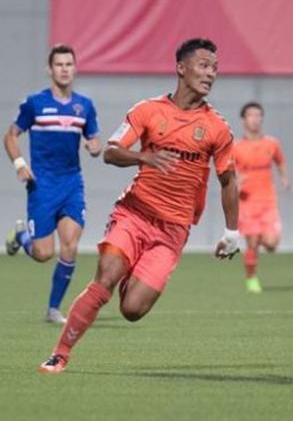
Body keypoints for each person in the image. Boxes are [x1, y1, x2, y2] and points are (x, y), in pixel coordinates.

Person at [38, 38, 241, 373]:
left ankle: (132, 269)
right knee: (105, 277)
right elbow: (111, 151)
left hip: (173, 230)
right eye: (204, 65)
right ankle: (59, 354)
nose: (211, 74)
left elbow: (228, 181)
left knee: (132, 310)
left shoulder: (218, 128)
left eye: (215, 68)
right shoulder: (148, 110)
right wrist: (145, 157)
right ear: (181, 68)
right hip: (133, 213)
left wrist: (232, 232)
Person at [4, 44, 102, 324]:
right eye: (59, 64)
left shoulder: (84, 106)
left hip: (72, 184)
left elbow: (94, 140)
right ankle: (20, 237)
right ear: (50, 69)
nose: (64, 69)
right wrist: (20, 165)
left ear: (75, 68)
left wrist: (94, 146)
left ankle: (53, 309)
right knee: (43, 254)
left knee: (70, 245)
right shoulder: (34, 103)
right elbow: (10, 136)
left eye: (69, 64)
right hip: (42, 187)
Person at [232, 102, 290, 293]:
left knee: (272, 244)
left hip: (268, 201)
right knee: (252, 242)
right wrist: (236, 183)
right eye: (251, 115)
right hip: (247, 202)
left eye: (258, 115)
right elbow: (228, 173)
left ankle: (259, 247)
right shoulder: (236, 147)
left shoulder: (271, 143)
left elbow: (280, 161)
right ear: (243, 120)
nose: (255, 119)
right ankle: (251, 278)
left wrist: (284, 177)